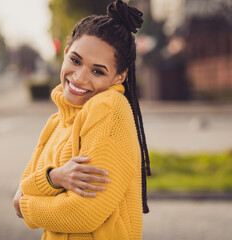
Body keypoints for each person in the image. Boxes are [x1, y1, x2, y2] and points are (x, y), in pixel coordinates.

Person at [13, 0, 151, 239]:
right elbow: (24, 187)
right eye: (75, 60)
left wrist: (26, 207)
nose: (79, 77)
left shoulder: (110, 108)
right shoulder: (55, 123)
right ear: (66, 54)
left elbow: (82, 212)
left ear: (119, 76)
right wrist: (54, 178)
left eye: (98, 71)